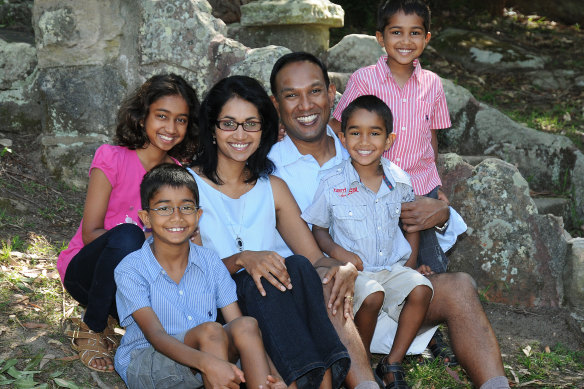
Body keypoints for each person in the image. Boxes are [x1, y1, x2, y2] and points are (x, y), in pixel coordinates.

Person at [269, 52, 510, 389]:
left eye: (315, 91)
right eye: (291, 95)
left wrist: (439, 213)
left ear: (332, 93)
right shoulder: (269, 171)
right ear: (275, 102)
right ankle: (365, 381)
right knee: (330, 284)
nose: (305, 104)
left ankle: (496, 386)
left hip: (392, 287)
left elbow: (409, 204)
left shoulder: (364, 144)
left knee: (459, 287)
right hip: (331, 300)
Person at [188, 75, 351, 389]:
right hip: (219, 311)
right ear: (211, 127)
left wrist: (342, 268)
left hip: (274, 310)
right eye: (228, 123)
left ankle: (321, 380)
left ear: (263, 130)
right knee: (257, 277)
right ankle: (302, 382)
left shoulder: (272, 187)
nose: (240, 134)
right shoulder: (186, 187)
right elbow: (186, 271)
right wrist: (243, 259)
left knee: (300, 267)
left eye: (251, 123)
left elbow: (315, 259)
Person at [57, 74, 199, 372]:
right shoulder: (111, 158)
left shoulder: (177, 177)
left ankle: (117, 323)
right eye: (162, 116)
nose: (171, 128)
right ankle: (91, 327)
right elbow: (91, 231)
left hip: (136, 288)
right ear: (142, 116)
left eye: (181, 120)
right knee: (129, 236)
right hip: (88, 271)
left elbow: (189, 242)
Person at [113, 163, 285, 389]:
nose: (176, 217)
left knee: (246, 325)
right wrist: (208, 363)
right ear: (145, 218)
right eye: (164, 209)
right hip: (148, 362)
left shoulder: (210, 261)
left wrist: (276, 376)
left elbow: (240, 326)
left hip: (208, 352)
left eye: (186, 207)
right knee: (211, 330)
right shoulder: (131, 269)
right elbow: (156, 336)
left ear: (198, 215)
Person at [303, 95, 434, 389]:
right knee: (373, 294)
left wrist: (411, 262)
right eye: (355, 132)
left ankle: (393, 362)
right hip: (356, 271)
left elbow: (409, 221)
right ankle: (357, 361)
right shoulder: (331, 181)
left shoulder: (399, 179)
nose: (364, 141)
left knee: (423, 288)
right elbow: (318, 228)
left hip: (391, 266)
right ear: (342, 137)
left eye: (374, 133)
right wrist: (340, 253)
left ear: (389, 140)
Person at [330, 0, 451, 275]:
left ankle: (429, 301)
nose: (406, 40)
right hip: (376, 186)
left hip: (420, 187)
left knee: (428, 262)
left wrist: (436, 182)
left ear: (427, 38)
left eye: (415, 33)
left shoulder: (433, 84)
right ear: (380, 38)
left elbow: (431, 137)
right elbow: (338, 126)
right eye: (396, 32)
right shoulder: (364, 80)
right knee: (381, 256)